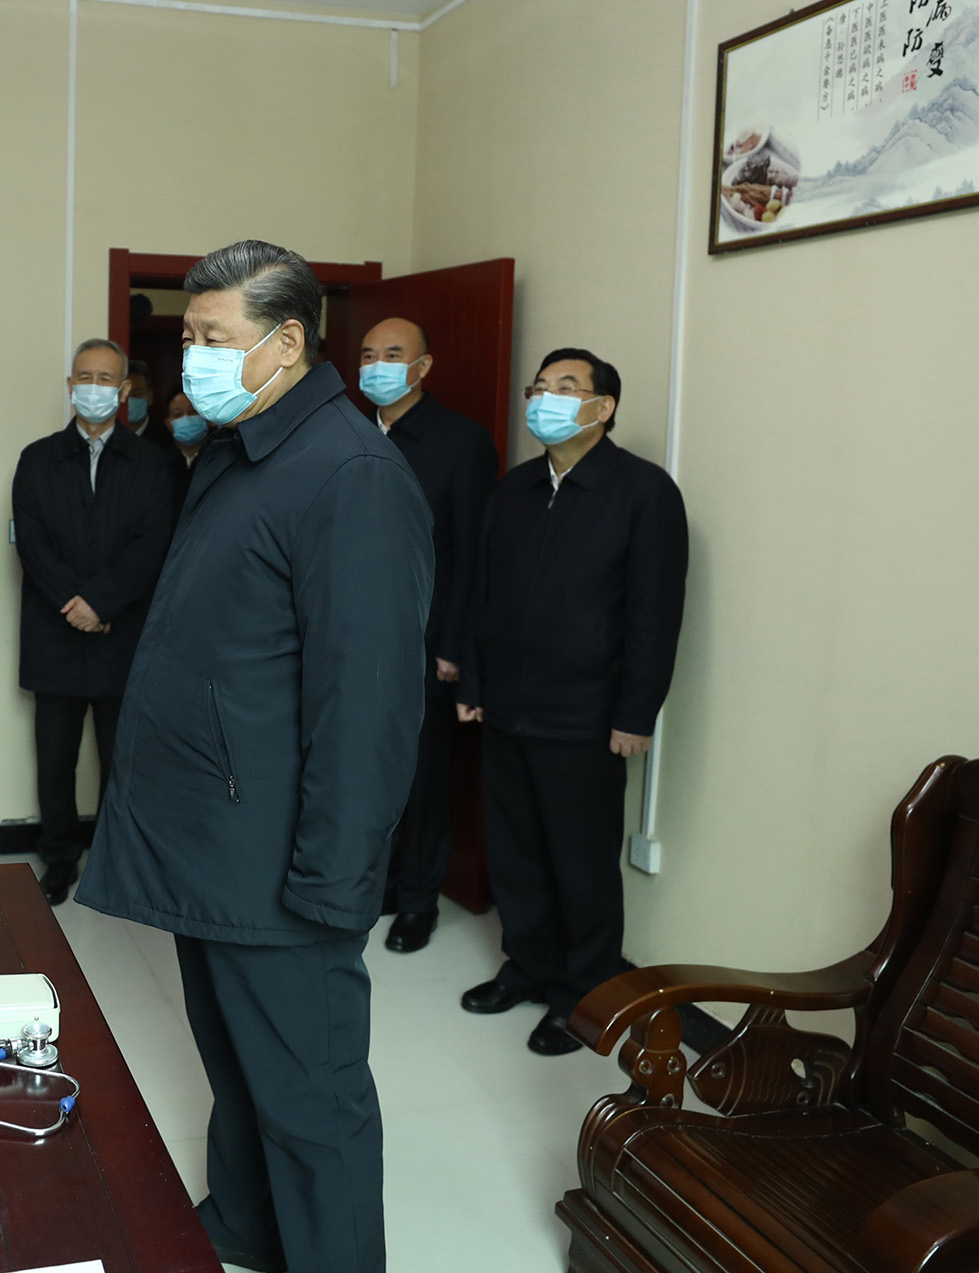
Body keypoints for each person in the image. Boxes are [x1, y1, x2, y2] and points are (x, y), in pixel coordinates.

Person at [79, 241, 432, 1273]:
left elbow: (367, 705)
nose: (192, 355)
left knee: (311, 1096)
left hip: (281, 858)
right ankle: (242, 1222)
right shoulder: (240, 447)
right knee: (237, 1066)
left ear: (285, 342)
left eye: (212, 336)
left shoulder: (351, 475)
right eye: (187, 335)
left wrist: (334, 880)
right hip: (215, 841)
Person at [455, 348, 688, 1057]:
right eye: (539, 387)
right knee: (517, 853)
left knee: (581, 864)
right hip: (507, 706)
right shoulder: (515, 489)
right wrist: (473, 684)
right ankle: (526, 966)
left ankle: (582, 993)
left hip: (586, 715)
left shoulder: (642, 491)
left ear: (603, 407)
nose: (544, 398)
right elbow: (480, 592)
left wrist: (635, 713)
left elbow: (654, 613)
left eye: (565, 387)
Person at [13, 338, 175, 905]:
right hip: (54, 635)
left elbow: (153, 543)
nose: (94, 388)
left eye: (106, 379)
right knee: (54, 762)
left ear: (124, 389)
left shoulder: (152, 463)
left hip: (121, 637)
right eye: (85, 377)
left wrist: (102, 604)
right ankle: (59, 858)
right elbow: (32, 541)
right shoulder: (37, 459)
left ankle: (113, 863)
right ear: (69, 386)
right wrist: (76, 604)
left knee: (120, 762)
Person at [356, 317, 500, 955]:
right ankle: (378, 885)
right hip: (351, 642)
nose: (377, 365)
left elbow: (473, 554)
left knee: (423, 780)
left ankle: (418, 900)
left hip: (424, 643)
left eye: (393, 354)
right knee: (362, 773)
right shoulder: (349, 431)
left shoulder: (461, 442)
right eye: (368, 354)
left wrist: (454, 646)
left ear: (423, 366)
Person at [161, 390, 208, 521]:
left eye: (193, 412)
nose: (186, 418)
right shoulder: (160, 463)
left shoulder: (220, 458)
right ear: (169, 424)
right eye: (178, 414)